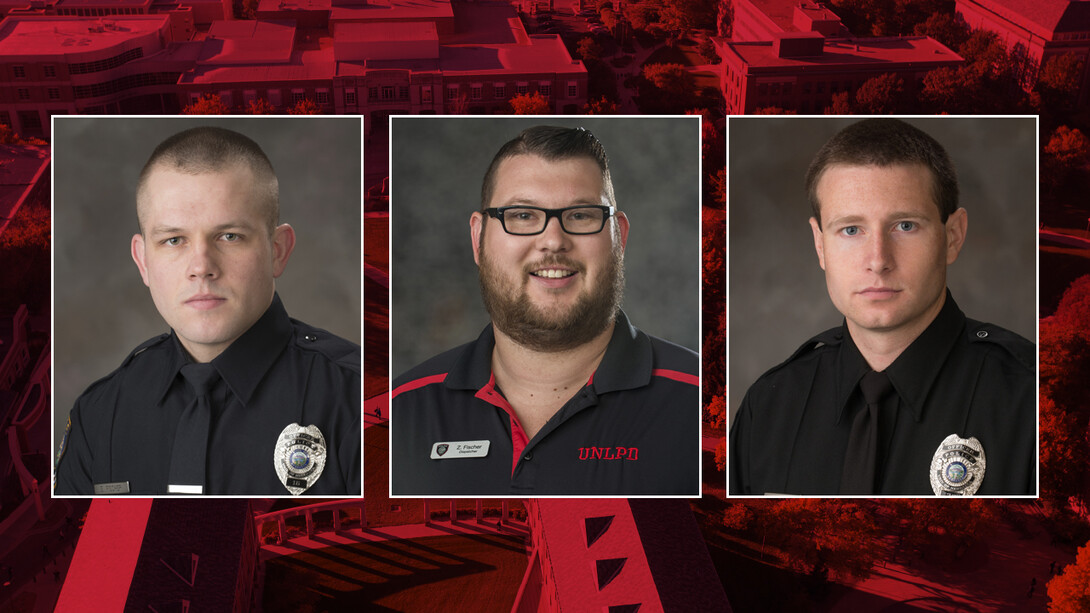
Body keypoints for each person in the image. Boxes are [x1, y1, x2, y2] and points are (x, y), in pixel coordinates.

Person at [729, 118, 1035, 496]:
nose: (877, 260)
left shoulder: (1032, 402)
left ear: (952, 237)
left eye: (905, 226)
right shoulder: (770, 406)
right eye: (851, 230)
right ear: (820, 245)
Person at [391, 125, 699, 496]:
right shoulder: (397, 414)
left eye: (582, 215)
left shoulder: (704, 406)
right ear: (478, 239)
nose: (553, 241)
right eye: (522, 216)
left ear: (619, 238)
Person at [55, 126, 361, 496]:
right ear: (143, 261)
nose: (201, 266)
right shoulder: (99, 415)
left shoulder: (358, 401)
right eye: (173, 240)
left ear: (278, 250)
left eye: (229, 236)